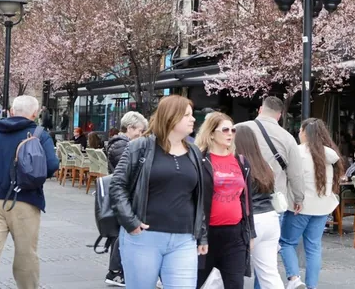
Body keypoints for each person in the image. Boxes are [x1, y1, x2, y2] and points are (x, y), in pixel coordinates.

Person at [109, 95, 208, 289]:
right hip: (144, 237)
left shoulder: (194, 152)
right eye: (187, 115)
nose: (193, 119)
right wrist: (130, 222)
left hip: (184, 239)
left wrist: (202, 234)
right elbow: (117, 185)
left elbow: (197, 197)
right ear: (171, 117)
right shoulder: (140, 146)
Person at [0, 95, 60, 289]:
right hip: (25, 200)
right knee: (26, 255)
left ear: (11, 112)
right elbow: (52, 164)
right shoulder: (39, 134)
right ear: (35, 114)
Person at [279, 118, 344, 289]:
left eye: (300, 130)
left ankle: (294, 279)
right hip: (323, 207)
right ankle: (311, 286)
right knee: (314, 247)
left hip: (299, 207)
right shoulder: (329, 154)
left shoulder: (297, 152)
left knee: (287, 243)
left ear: (304, 133)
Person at [194, 112, 255, 289]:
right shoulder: (200, 161)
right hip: (206, 233)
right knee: (194, 283)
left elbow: (247, 200)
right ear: (212, 133)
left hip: (235, 234)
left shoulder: (241, 161)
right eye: (225, 130)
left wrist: (250, 232)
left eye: (233, 130)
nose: (230, 134)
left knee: (235, 284)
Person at [234, 123, 285, 289]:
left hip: (248, 220)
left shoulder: (237, 165)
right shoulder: (265, 165)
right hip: (270, 217)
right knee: (269, 272)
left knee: (223, 271)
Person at [237, 96, 305, 216]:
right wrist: (299, 198)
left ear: (260, 109)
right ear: (279, 115)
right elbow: (296, 173)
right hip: (273, 201)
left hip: (240, 197)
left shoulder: (237, 129)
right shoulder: (287, 138)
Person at [104, 111, 148, 287]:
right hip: (125, 198)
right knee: (122, 234)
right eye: (139, 130)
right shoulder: (123, 146)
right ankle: (115, 272)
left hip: (125, 197)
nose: (141, 134)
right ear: (130, 128)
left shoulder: (121, 144)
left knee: (122, 234)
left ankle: (118, 271)